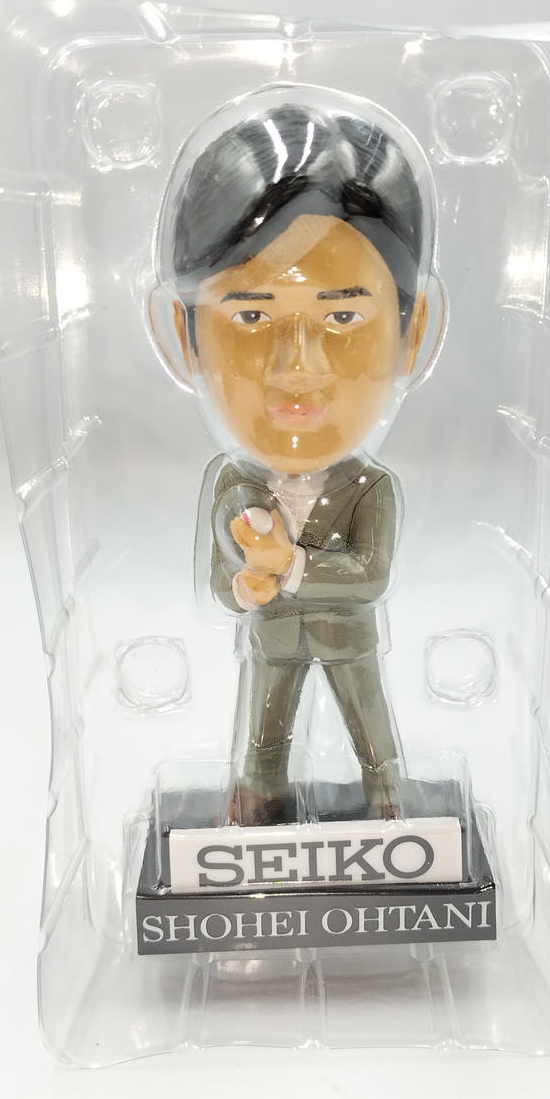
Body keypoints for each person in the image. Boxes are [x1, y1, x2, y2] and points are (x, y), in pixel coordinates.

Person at [164, 100, 433, 825]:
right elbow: (221, 583)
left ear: (412, 334)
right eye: (252, 316)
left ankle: (389, 814)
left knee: (371, 731)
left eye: (342, 316)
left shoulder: (371, 486)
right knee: (263, 739)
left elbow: (370, 573)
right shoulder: (234, 483)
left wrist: (290, 565)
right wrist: (246, 583)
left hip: (348, 641)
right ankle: (257, 817)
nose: (297, 366)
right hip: (273, 638)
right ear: (185, 337)